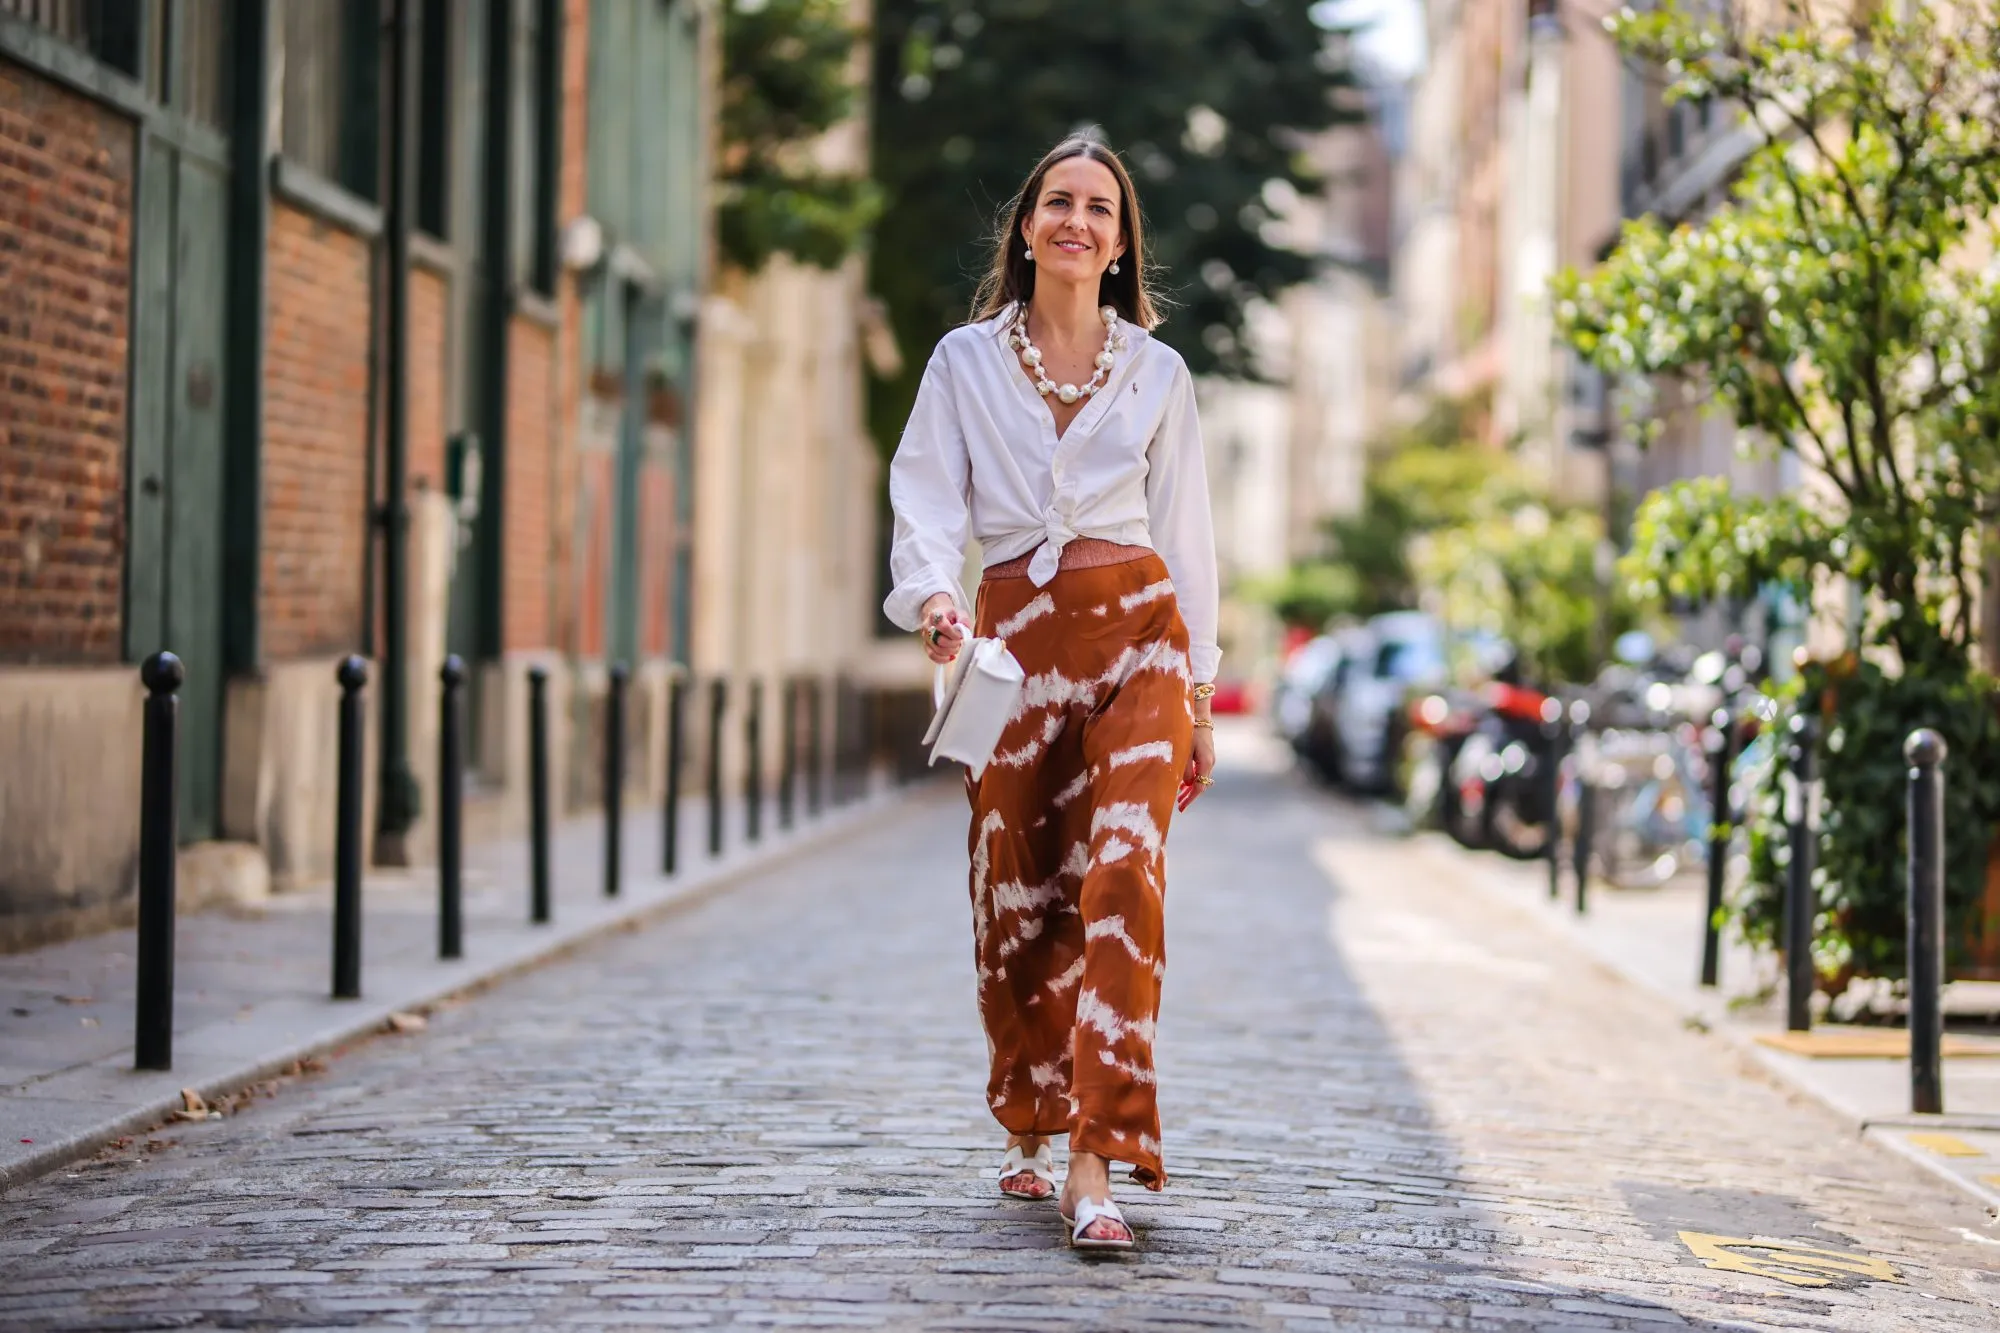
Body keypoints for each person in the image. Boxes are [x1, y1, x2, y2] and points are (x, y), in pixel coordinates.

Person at [882, 134, 1221, 1251]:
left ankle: (1095, 1156)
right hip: (1015, 648)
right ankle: (1028, 1116)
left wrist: (1201, 690)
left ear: (1121, 246)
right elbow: (927, 497)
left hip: (1140, 641)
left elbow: (1185, 538)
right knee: (1017, 896)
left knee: (1121, 875)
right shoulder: (962, 363)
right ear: (1025, 227)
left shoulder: (1158, 375)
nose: (1077, 221)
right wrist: (937, 598)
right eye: (1058, 203)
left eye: (1100, 209)